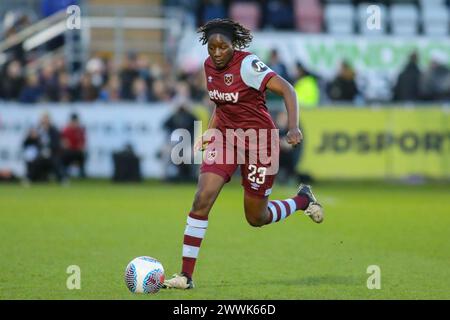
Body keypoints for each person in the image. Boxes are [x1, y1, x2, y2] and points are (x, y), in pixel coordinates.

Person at [163, 18, 324, 290]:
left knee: (256, 218)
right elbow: (222, 104)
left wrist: (293, 126)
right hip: (226, 139)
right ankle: (184, 276)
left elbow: (288, 89)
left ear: (233, 45)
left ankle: (301, 199)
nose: (216, 53)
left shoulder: (248, 65)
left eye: (222, 47)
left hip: (261, 143)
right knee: (202, 197)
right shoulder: (208, 67)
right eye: (211, 47)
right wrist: (211, 132)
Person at [61, 113, 87, 178]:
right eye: (73, 121)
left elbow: (82, 143)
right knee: (65, 155)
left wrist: (80, 147)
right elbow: (64, 143)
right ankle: (65, 172)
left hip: (77, 151)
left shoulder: (80, 130)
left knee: (84, 154)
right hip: (69, 151)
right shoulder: (66, 130)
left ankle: (82, 173)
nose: (75, 123)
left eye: (76, 121)